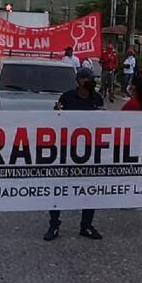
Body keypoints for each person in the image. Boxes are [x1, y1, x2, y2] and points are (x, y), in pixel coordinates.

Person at [45, 67, 104, 241]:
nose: (91, 82)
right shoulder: (67, 97)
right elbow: (57, 121)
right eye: (88, 79)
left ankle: (86, 225)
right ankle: (54, 224)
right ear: (79, 81)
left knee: (89, 189)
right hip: (66, 151)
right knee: (58, 189)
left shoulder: (97, 99)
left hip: (89, 152)